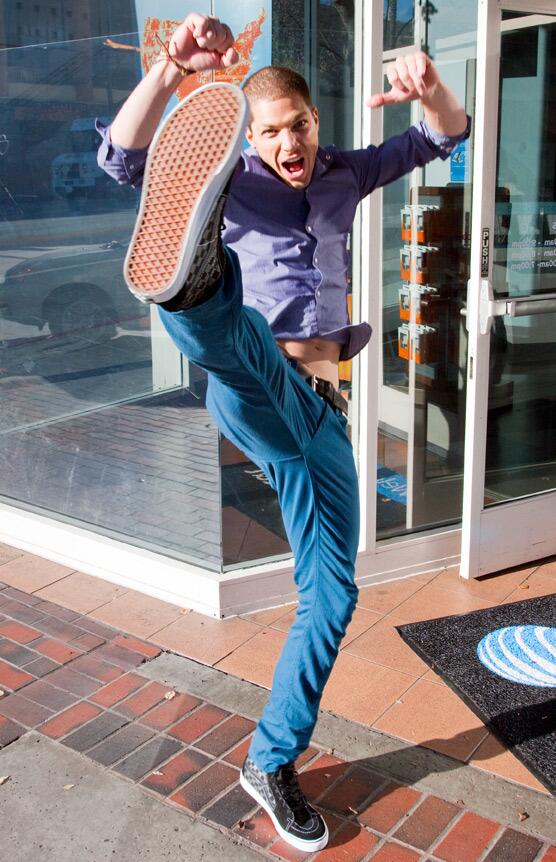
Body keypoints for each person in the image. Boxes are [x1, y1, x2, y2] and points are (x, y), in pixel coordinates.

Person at [96, 12, 470, 853]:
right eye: (268, 132)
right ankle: (192, 287)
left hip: (322, 417)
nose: (287, 142)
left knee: (334, 596)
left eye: (296, 124)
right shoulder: (232, 177)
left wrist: (436, 88)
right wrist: (165, 73)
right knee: (238, 342)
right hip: (258, 380)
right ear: (253, 139)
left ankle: (270, 760)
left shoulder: (344, 172)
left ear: (314, 121)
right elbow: (119, 160)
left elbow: (445, 136)